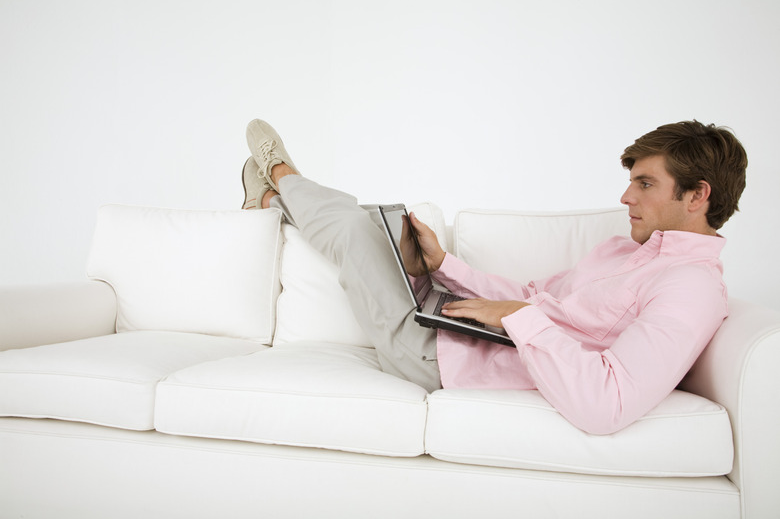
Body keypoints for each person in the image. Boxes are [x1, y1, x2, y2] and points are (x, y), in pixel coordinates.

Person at [240, 119, 747, 435]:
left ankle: (279, 179)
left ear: (697, 195)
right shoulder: (623, 249)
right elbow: (534, 297)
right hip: (458, 331)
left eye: (644, 183)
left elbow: (607, 404)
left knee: (352, 228)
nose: (625, 197)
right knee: (380, 223)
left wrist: (522, 319)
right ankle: (270, 201)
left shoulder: (692, 288)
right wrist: (444, 268)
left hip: (439, 361)